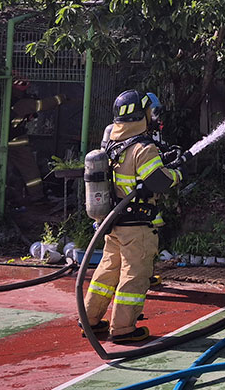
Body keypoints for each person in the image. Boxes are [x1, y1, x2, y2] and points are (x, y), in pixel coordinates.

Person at [82, 89, 183, 343]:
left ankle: (90, 321)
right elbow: (159, 182)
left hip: (114, 224)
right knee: (134, 276)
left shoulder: (112, 143)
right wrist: (179, 172)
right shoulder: (142, 148)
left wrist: (165, 159)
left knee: (106, 273)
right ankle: (124, 329)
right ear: (142, 115)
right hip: (137, 227)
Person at [8, 76, 66, 206]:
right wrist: (61, 98)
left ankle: (13, 196)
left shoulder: (6, 101)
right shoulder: (22, 103)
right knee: (30, 170)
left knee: (9, 169)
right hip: (16, 142)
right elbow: (43, 105)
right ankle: (37, 196)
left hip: (3, 141)